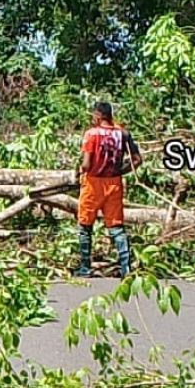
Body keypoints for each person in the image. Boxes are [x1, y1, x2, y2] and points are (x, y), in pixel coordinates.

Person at [75, 101, 141, 278]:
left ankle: (85, 267)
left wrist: (79, 170)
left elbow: (87, 164)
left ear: (97, 116)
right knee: (116, 226)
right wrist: (121, 170)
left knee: (85, 225)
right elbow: (137, 160)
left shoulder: (91, 134)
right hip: (114, 182)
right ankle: (126, 267)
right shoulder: (123, 134)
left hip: (93, 184)